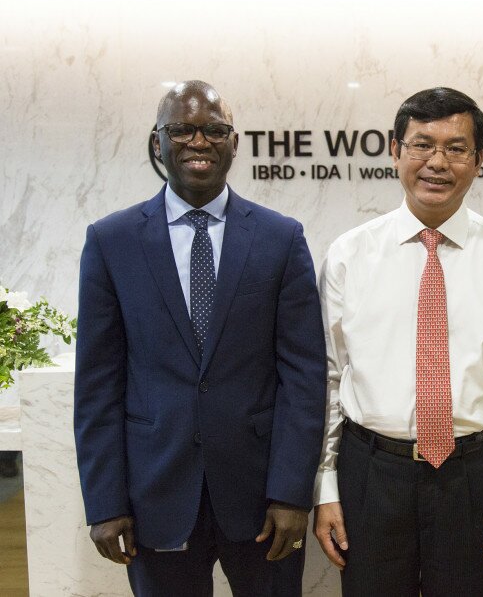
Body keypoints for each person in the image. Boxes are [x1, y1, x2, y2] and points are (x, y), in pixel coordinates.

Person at [74, 80, 326, 596]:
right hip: (154, 496)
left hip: (262, 499)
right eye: (181, 130)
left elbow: (304, 377)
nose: (199, 141)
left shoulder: (281, 238)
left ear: (234, 144)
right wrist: (105, 502)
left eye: (214, 130)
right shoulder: (111, 240)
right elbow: (98, 383)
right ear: (157, 144)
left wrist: (292, 493)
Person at [312, 87, 483, 597]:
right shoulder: (349, 255)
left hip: (473, 477)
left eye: (456, 148)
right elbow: (329, 380)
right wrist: (325, 486)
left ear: (479, 160)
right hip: (371, 475)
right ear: (395, 151)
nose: (437, 162)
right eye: (421, 145)